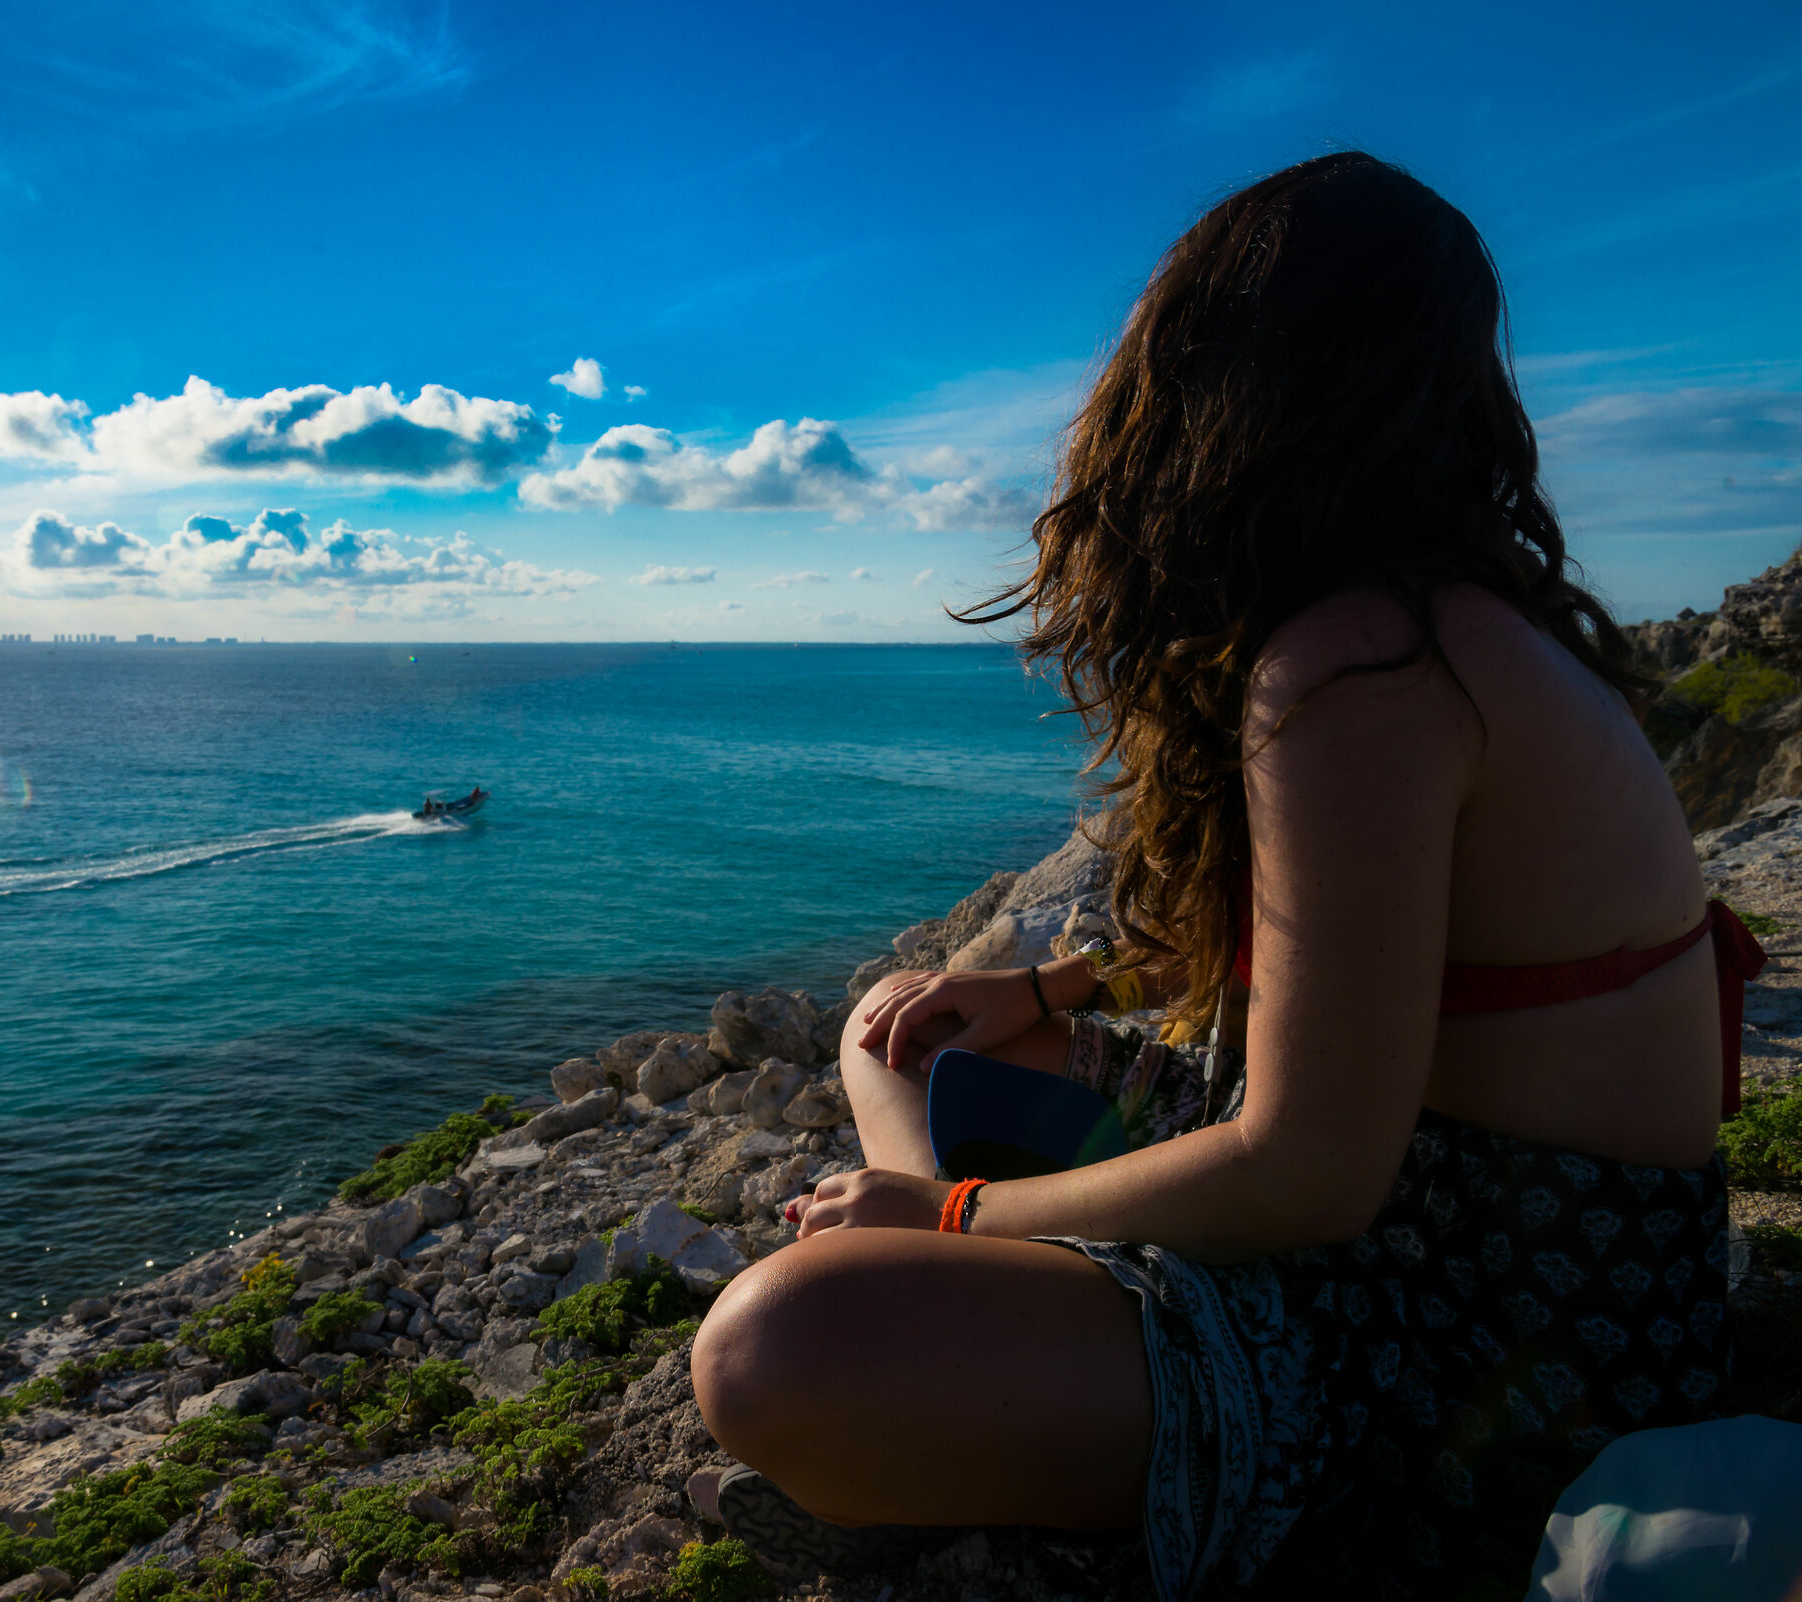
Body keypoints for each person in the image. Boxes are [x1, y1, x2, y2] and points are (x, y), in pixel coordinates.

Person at [690, 152, 1746, 1602]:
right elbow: (1350, 949)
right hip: (1453, 1220)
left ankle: (957, 1310)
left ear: (1207, 378)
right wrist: (1047, 981)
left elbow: (1310, 1171)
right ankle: (978, 1311)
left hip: (1484, 1328)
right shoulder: (1430, 625)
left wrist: (947, 1219)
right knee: (902, 1019)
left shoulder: (1367, 666)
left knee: (772, 1346)